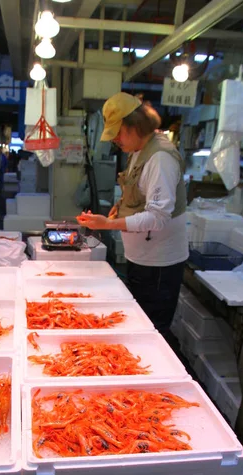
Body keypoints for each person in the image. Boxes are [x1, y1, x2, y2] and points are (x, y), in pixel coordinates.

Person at [77, 92, 189, 338]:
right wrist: (120, 206)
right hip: (142, 259)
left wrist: (108, 224)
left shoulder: (160, 158)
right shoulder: (139, 149)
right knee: (137, 324)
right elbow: (138, 191)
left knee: (152, 331)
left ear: (135, 125)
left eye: (118, 132)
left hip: (159, 265)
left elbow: (158, 217)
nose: (115, 139)